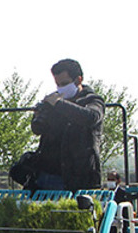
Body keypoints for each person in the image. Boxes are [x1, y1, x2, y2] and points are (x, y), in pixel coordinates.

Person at [28, 58, 105, 191]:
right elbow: (37, 129)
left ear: (78, 80)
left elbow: (91, 117)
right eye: (58, 84)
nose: (61, 88)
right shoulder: (54, 103)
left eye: (65, 83)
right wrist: (39, 115)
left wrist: (59, 104)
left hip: (77, 177)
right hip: (46, 175)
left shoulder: (93, 100)